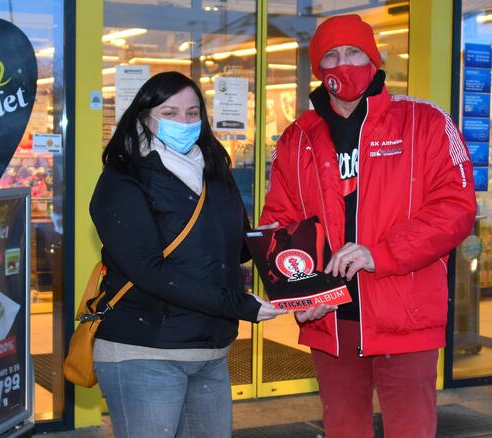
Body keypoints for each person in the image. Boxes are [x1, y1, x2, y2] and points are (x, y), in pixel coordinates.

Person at [260, 14, 477, 438]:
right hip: (331, 320)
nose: (343, 64)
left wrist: (379, 253)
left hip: (405, 314)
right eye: (331, 55)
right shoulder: (296, 139)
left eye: (354, 52)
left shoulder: (425, 123)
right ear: (319, 69)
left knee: (411, 430)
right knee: (343, 429)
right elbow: (277, 224)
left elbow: (455, 208)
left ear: (375, 59)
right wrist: (298, 295)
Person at [89, 71, 283, 438]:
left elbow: (234, 247)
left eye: (193, 113)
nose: (184, 122)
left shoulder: (213, 171)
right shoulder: (123, 179)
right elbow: (149, 271)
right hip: (144, 350)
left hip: (210, 349)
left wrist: (277, 245)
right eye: (171, 112)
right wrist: (241, 304)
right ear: (143, 115)